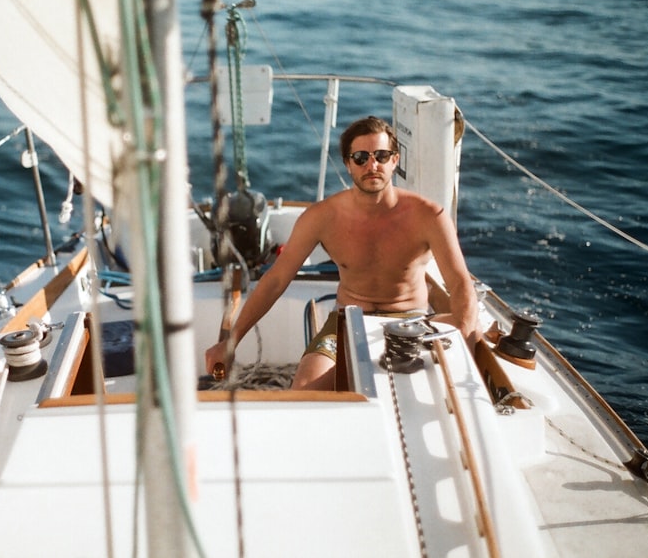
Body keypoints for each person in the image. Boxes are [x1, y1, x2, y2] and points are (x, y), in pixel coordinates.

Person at [204, 116, 483, 390]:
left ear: (395, 160)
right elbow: (277, 279)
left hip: (411, 321)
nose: (372, 165)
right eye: (361, 157)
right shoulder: (322, 217)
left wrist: (466, 343)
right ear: (349, 164)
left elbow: (460, 283)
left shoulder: (429, 215)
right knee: (306, 390)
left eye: (382, 156)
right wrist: (231, 341)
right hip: (347, 321)